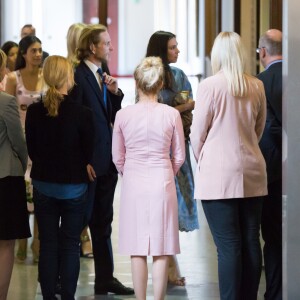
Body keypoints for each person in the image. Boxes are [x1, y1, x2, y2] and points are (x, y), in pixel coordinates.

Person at [190, 31, 268, 300]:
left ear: (218, 55)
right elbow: (259, 128)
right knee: (250, 239)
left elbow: (197, 133)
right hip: (253, 168)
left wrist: (207, 158)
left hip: (218, 173)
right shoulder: (256, 85)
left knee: (228, 245)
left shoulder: (211, 86)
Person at [112, 56, 185, 300]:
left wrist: (129, 171)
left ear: (136, 83)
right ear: (161, 83)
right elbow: (180, 156)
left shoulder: (123, 115)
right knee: (162, 247)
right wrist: (166, 170)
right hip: (162, 179)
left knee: (137, 247)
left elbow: (117, 157)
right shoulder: (171, 114)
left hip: (134, 181)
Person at [69, 24, 134, 295]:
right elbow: (75, 122)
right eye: (106, 43)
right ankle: (63, 278)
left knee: (103, 221)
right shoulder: (78, 75)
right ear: (93, 47)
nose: (111, 46)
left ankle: (105, 278)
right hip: (90, 163)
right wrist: (83, 160)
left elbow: (109, 115)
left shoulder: (101, 74)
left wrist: (116, 93)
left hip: (105, 160)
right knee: (80, 220)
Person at [25, 55, 95, 300]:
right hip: (74, 188)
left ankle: (47, 296)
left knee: (48, 245)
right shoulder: (83, 114)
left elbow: (31, 149)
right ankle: (67, 295)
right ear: (69, 77)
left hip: (44, 186)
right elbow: (89, 151)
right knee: (70, 245)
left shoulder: (34, 112)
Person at [146, 30, 199, 286]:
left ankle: (170, 267)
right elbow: (151, 110)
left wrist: (182, 110)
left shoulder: (179, 75)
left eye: (177, 46)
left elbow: (188, 112)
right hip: (157, 150)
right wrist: (184, 108)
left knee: (174, 210)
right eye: (172, 47)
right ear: (160, 50)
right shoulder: (148, 74)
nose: (178, 51)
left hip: (178, 145)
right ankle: (166, 269)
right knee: (161, 210)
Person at [5, 35, 46, 263]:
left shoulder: (45, 78)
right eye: (33, 50)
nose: (38, 54)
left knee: (40, 190)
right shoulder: (14, 78)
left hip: (40, 142)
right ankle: (21, 239)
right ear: (24, 54)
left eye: (40, 50)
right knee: (21, 191)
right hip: (18, 141)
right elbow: (6, 111)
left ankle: (37, 240)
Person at [0, 49, 31, 300]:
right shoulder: (5, 101)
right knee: (5, 242)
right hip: (5, 177)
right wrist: (23, 164)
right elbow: (18, 141)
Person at [257, 29, 283, 300]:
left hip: (272, 170)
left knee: (273, 237)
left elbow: (263, 129)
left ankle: (275, 293)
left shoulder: (259, 83)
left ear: (263, 51)